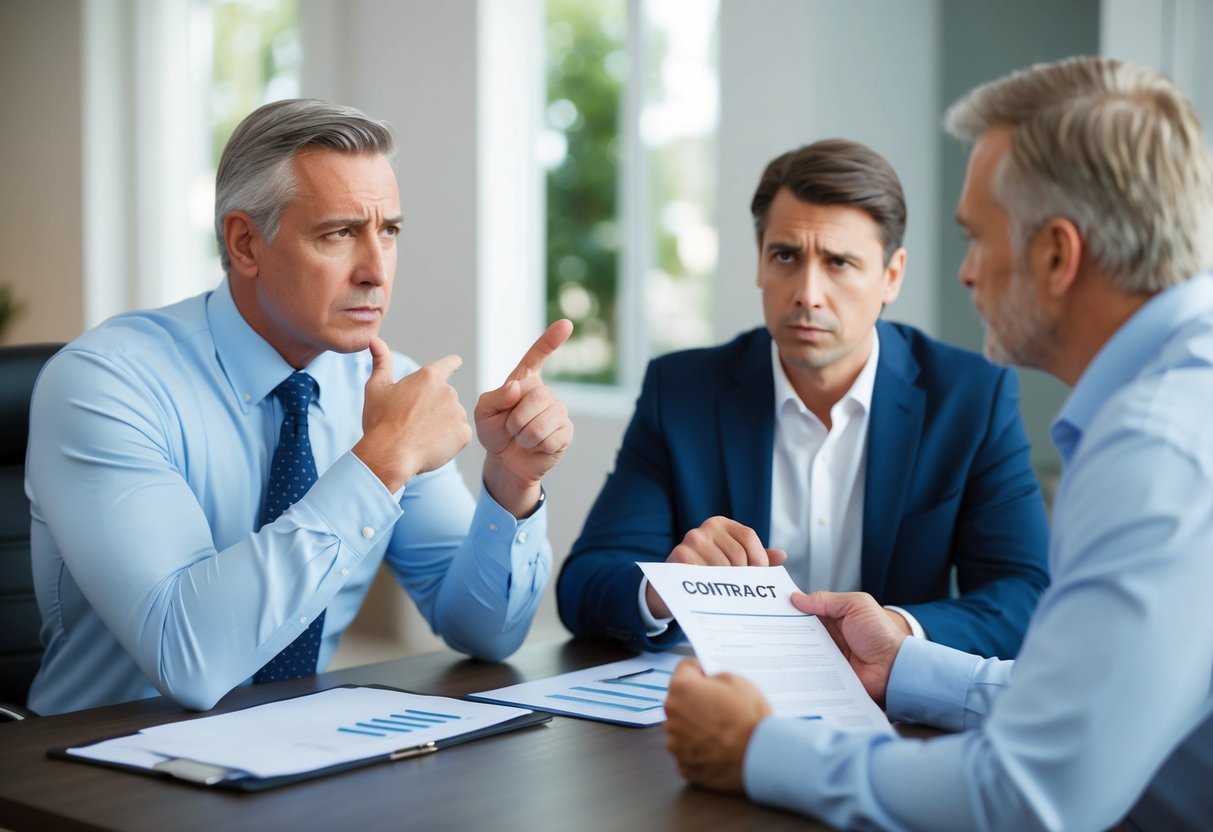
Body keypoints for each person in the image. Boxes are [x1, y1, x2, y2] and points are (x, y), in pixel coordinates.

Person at [662, 55, 1213, 830]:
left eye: (976, 239)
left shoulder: (1160, 446)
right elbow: (1098, 704)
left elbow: (1025, 795)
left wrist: (755, 750)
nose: (964, 274)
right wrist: (906, 667)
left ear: (1056, 255)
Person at [25, 99, 574, 715]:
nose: (376, 271)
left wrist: (511, 483)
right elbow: (187, 657)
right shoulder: (104, 384)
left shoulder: (379, 389)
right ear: (245, 244)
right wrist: (381, 462)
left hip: (297, 753)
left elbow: (484, 632)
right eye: (338, 233)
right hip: (96, 771)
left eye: (388, 231)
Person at [557, 139, 1049, 660]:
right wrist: (664, 591)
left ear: (892, 275)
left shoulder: (970, 396)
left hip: (890, 711)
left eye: (839, 263)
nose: (807, 293)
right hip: (723, 704)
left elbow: (1023, 597)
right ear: (759, 263)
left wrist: (896, 631)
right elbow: (585, 582)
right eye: (785, 256)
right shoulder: (681, 392)